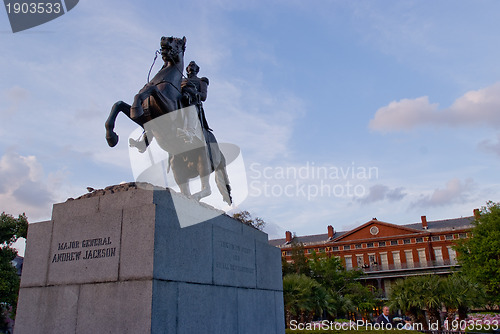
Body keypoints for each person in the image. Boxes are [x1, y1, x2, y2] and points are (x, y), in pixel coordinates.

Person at [178, 61, 211, 143]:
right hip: (180, 102)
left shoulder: (201, 80)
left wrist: (190, 91)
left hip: (192, 103)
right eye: (189, 65)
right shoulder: (180, 80)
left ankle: (190, 133)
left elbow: (203, 96)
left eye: (193, 65)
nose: (191, 66)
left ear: (197, 69)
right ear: (187, 69)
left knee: (191, 107)